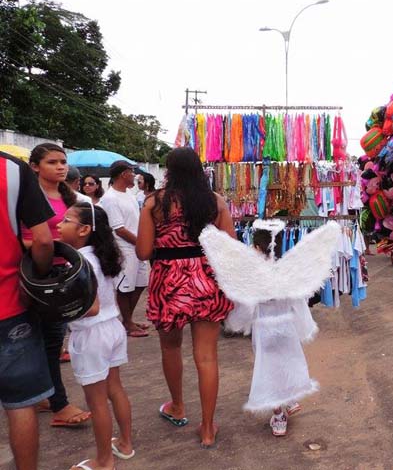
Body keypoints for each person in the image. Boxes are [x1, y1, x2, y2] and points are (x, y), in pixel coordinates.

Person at [198, 218, 339, 438]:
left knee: (268, 371)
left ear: (255, 247)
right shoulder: (286, 273)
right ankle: (291, 399)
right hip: (287, 328)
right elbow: (298, 302)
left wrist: (235, 323)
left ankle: (279, 416)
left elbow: (246, 307)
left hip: (264, 331)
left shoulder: (254, 277)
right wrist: (304, 327)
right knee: (288, 362)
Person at [135, 147, 234, 448]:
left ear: (169, 170)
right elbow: (229, 246)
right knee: (206, 356)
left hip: (168, 282)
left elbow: (142, 252)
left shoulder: (154, 203)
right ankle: (207, 427)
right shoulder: (214, 202)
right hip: (206, 280)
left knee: (171, 347)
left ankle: (178, 406)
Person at [58, 203, 134, 470]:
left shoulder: (81, 262)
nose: (59, 224)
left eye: (66, 220)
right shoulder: (102, 255)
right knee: (115, 389)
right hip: (112, 328)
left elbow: (90, 308)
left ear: (84, 230)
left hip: (92, 335)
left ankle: (104, 461)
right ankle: (124, 444)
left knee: (97, 400)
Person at [21, 143, 91, 428]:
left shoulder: (70, 197)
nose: (61, 167)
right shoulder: (24, 196)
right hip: (33, 275)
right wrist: (46, 247)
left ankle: (41, 395)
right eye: (52, 162)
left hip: (62, 276)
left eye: (63, 162)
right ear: (35, 166)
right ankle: (58, 403)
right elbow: (18, 236)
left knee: (50, 340)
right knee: (42, 340)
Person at [0, 150, 54, 470]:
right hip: (11, 307)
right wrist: (40, 277)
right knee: (21, 405)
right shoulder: (12, 169)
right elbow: (44, 241)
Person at [99, 160, 149, 338]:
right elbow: (119, 229)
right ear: (123, 174)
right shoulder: (110, 198)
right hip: (125, 249)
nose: (134, 176)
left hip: (137, 247)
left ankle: (128, 319)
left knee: (141, 283)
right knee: (125, 287)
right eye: (131, 172)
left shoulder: (128, 194)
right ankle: (127, 323)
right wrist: (142, 243)